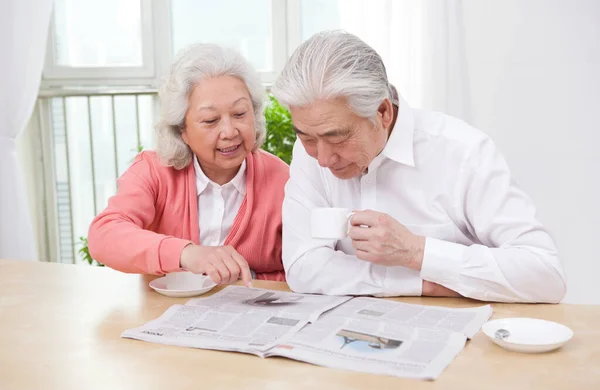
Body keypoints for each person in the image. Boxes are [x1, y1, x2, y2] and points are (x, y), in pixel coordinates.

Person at [272, 31, 566, 302]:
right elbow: (303, 265)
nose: (322, 159)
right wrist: (425, 284)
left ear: (383, 112)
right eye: (306, 137)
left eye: (337, 138)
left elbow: (545, 274)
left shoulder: (463, 153)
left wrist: (416, 251)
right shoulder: (309, 151)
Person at [88, 44, 289, 285]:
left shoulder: (282, 179)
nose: (229, 131)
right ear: (182, 129)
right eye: (210, 120)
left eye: (239, 113)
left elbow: (303, 268)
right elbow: (104, 235)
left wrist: (246, 277)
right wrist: (187, 254)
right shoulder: (153, 170)